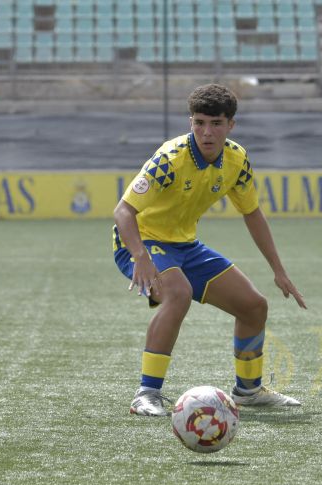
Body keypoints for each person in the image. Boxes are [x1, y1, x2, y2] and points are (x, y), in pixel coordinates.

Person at [113, 83, 307, 416]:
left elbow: (252, 213)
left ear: (230, 125)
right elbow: (123, 212)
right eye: (199, 122)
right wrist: (140, 257)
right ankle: (146, 394)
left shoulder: (236, 159)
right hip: (141, 241)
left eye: (216, 123)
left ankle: (248, 391)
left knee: (254, 306)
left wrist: (278, 269)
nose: (207, 132)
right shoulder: (169, 158)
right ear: (191, 122)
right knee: (178, 294)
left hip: (185, 245)